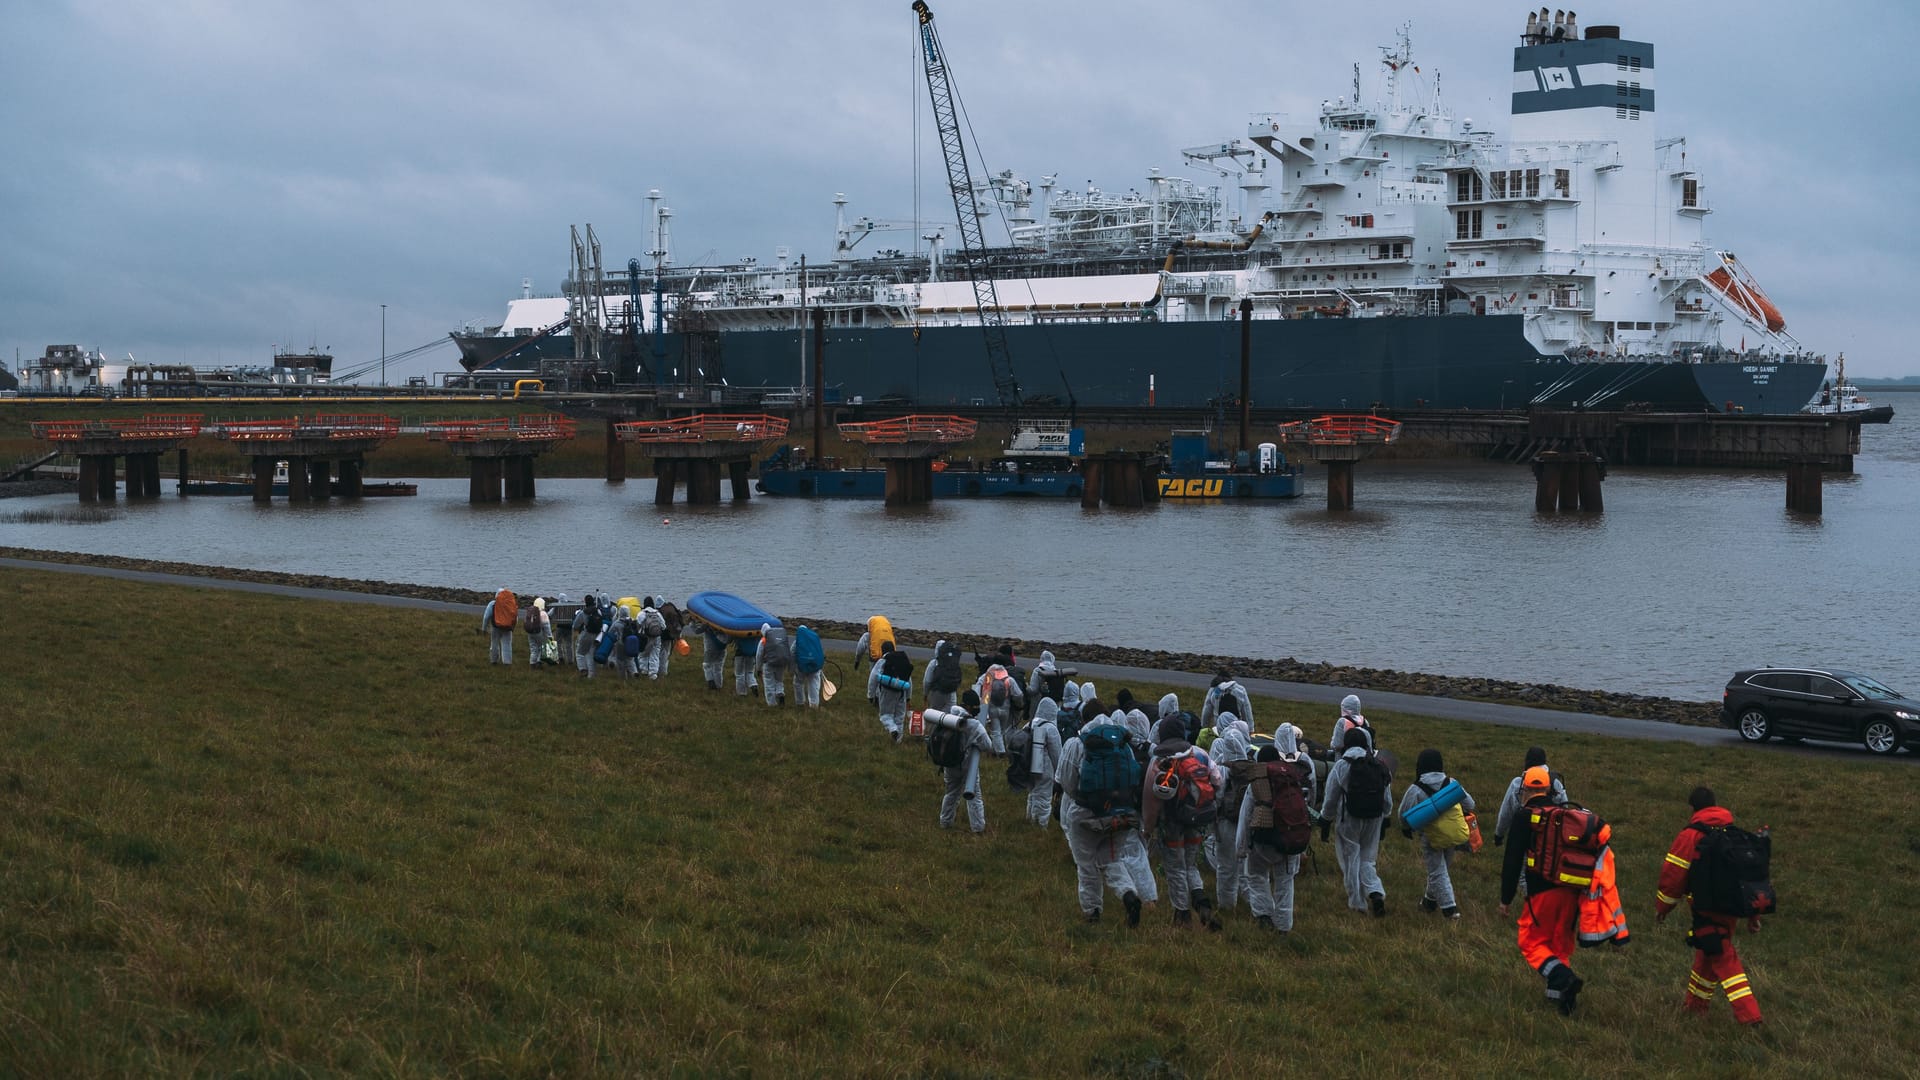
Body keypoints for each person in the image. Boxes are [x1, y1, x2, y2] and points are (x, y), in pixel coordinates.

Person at [1655, 787, 1765, 1026]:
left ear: (1693, 809)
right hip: (1732, 908)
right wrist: (1753, 915)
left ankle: (1750, 1016)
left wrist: (1663, 908)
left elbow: (1672, 876)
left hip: (1706, 908)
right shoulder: (1733, 832)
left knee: (1724, 959)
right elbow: (1749, 877)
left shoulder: (1690, 835)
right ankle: (1695, 1008)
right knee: (1707, 954)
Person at [1500, 766, 1602, 1016]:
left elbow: (1512, 861)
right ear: (1547, 788)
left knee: (1530, 941)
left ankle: (1564, 978)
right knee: (1558, 944)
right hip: (1571, 890)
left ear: (1524, 789)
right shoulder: (1562, 815)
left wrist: (1505, 898)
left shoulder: (1525, 817)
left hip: (1542, 891)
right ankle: (1562, 1000)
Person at [1055, 710, 1146, 926]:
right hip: (1120, 813)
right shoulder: (1123, 746)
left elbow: (1067, 781)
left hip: (1085, 813)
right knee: (1111, 860)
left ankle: (1092, 912)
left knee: (1086, 865)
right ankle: (1129, 895)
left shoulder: (1077, 744)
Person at [1142, 716, 1221, 931]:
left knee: (1175, 868)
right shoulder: (1200, 754)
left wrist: (1147, 830)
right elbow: (1218, 780)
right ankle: (1201, 902)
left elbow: (1151, 800)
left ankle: (1182, 915)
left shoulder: (1159, 760)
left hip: (1172, 824)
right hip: (1197, 819)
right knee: (1190, 864)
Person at [1237, 727, 1314, 932]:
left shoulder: (1257, 782)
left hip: (1263, 841)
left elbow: (1245, 815)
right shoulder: (1293, 778)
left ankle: (1263, 915)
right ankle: (1284, 926)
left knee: (1256, 875)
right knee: (1285, 882)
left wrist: (1241, 848)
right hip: (1289, 838)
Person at [1319, 723, 1392, 916]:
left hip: (1349, 817)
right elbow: (1387, 798)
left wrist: (1325, 820)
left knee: (1351, 857)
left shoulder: (1342, 765)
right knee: (1368, 859)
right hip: (1375, 817)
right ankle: (1375, 891)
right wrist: (1385, 818)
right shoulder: (1378, 765)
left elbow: (1331, 796)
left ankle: (1357, 902)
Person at [1398, 748, 1475, 919]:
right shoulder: (1451, 782)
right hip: (1453, 833)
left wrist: (1405, 828)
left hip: (1431, 837)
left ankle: (1450, 909)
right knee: (1442, 869)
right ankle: (1429, 902)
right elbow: (1470, 804)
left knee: (1437, 871)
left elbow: (1403, 812)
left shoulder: (1416, 788)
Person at [1206, 716, 1253, 914]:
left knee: (1226, 867)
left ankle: (1227, 906)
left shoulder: (1221, 770)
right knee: (1249, 868)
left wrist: (1211, 824)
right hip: (1249, 824)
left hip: (1226, 823)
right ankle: (1256, 905)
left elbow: (1215, 798)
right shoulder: (1252, 767)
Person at [929, 691, 993, 833]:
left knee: (951, 793)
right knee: (974, 795)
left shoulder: (949, 717)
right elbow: (988, 745)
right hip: (967, 766)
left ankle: (945, 822)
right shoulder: (974, 725)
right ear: (970, 707)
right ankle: (978, 828)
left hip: (949, 763)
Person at [1494, 747, 1569, 846]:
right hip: (1549, 838)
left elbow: (1506, 813)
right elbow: (1565, 808)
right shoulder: (1555, 783)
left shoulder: (1517, 784)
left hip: (1523, 835)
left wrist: (1499, 834)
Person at [1022, 698, 1065, 829]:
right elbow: (1057, 754)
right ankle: (1040, 827)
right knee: (1044, 798)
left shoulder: (1029, 725)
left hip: (1028, 766)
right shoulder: (1051, 728)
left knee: (1032, 793)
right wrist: (1060, 775)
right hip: (1044, 769)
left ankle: (1029, 819)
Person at [971, 662, 1025, 756]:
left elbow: (976, 689)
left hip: (991, 708)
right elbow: (1018, 694)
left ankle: (1000, 752)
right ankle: (1002, 749)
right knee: (1003, 730)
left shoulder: (986, 678)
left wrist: (980, 703)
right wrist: (1019, 705)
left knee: (995, 731)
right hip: (1005, 708)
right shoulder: (1009, 679)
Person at [867, 641, 913, 742]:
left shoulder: (883, 660)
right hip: (901, 692)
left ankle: (893, 729)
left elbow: (873, 678)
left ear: (882, 650)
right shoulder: (902, 660)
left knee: (885, 715)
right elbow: (909, 680)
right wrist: (908, 697)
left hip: (887, 691)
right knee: (899, 717)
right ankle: (898, 741)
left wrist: (870, 695)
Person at [754, 623, 793, 706]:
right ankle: (780, 693)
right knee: (779, 680)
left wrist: (758, 668)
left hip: (769, 664)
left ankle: (772, 704)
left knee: (769, 683)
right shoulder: (779, 638)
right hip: (781, 663)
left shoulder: (763, 640)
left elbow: (759, 655)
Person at [924, 638, 965, 713]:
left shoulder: (934, 663)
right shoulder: (953, 662)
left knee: (934, 716)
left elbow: (927, 681)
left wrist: (926, 694)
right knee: (949, 717)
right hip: (952, 691)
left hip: (937, 691)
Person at [791, 623, 826, 707]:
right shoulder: (814, 638)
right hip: (815, 666)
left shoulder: (797, 642)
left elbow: (792, 653)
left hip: (801, 666)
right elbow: (820, 652)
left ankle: (800, 702)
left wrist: (792, 668)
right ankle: (814, 704)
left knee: (798, 683)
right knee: (814, 684)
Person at [480, 586, 517, 665]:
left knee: (494, 644)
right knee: (506, 644)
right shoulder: (509, 604)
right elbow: (515, 616)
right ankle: (507, 663)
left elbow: (486, 617)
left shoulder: (492, 604)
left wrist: (484, 628)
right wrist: (513, 627)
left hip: (495, 627)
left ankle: (494, 661)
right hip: (507, 628)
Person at [654, 599, 685, 679]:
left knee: (661, 652)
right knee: (667, 652)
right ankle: (664, 671)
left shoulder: (661, 611)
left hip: (665, 634)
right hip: (673, 633)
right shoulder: (671, 607)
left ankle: (661, 672)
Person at [701, 622, 730, 691]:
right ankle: (718, 686)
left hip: (710, 649)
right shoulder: (724, 624)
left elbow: (697, 631)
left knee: (707, 665)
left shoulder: (707, 625)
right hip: (722, 648)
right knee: (718, 668)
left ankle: (711, 682)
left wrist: (692, 623)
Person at [524, 597, 550, 668]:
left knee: (533, 648)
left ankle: (532, 663)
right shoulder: (543, 613)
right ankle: (539, 662)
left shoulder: (530, 611)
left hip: (530, 632)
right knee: (540, 647)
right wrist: (550, 637)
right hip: (538, 633)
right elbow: (547, 626)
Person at [732, 626, 759, 695]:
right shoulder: (756, 630)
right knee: (750, 672)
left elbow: (731, 639)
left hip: (740, 654)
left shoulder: (740, 629)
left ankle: (742, 693)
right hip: (752, 654)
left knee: (739, 674)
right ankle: (753, 684)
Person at [552, 593, 575, 667]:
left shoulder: (557, 606)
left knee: (558, 643)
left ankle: (561, 657)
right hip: (568, 627)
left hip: (560, 627)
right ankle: (570, 660)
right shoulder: (570, 606)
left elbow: (550, 614)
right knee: (569, 644)